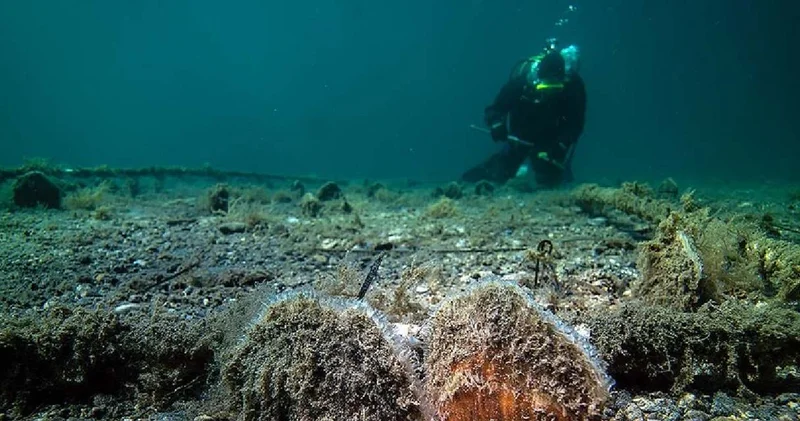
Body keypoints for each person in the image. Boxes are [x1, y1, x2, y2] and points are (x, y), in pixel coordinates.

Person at [462, 41, 586, 187]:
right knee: (499, 171)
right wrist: (497, 124)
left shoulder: (573, 88)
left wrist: (562, 144)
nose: (548, 94)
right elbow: (494, 110)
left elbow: (576, 123)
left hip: (553, 139)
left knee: (550, 177)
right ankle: (468, 181)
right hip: (520, 134)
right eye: (545, 88)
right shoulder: (521, 84)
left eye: (555, 89)